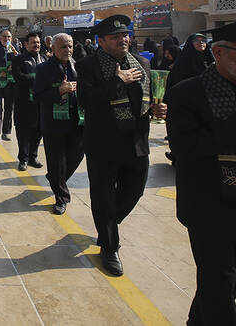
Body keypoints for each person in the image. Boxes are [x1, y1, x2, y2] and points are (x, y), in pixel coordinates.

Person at [166, 17, 236, 326]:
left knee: (227, 286)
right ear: (218, 52)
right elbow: (185, 148)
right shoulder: (188, 93)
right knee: (220, 286)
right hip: (209, 210)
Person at [76, 14, 166, 276]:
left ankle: (107, 225)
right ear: (101, 41)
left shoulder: (142, 63)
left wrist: (157, 109)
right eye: (115, 37)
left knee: (134, 191)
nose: (122, 40)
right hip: (103, 143)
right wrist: (118, 81)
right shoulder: (88, 65)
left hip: (135, 142)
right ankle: (109, 246)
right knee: (103, 196)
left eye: (125, 35)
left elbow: (145, 99)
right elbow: (86, 100)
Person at [34, 33, 84, 215]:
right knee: (57, 161)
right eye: (63, 47)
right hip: (54, 124)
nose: (67, 50)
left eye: (70, 46)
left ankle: (56, 178)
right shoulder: (43, 69)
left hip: (77, 122)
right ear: (53, 48)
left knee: (77, 156)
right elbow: (38, 96)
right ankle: (61, 198)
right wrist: (59, 91)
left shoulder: (78, 66)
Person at [12, 32, 45, 171]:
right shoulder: (18, 60)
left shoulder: (44, 59)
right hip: (24, 102)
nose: (36, 45)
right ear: (26, 44)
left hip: (40, 103)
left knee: (38, 131)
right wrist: (37, 78)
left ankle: (33, 157)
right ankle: (23, 159)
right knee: (23, 132)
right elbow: (18, 77)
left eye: (38, 42)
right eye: (33, 42)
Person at [0, 30, 17, 140]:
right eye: (4, 36)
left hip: (10, 83)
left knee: (9, 108)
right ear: (0, 38)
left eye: (9, 36)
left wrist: (16, 54)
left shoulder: (14, 48)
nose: (7, 39)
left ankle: (6, 131)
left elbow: (20, 63)